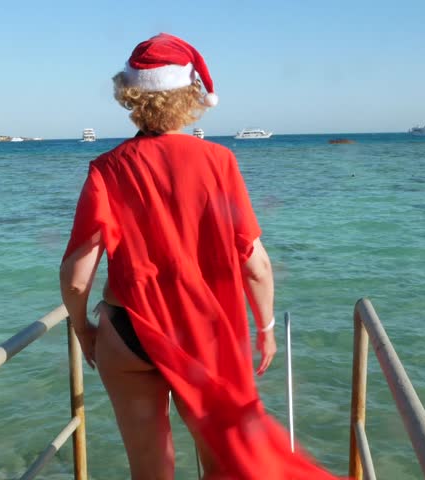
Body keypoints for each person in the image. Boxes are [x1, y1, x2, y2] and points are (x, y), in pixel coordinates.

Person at [60, 33, 341, 479]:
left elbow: (77, 276)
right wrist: (265, 328)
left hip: (128, 330)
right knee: (223, 466)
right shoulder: (219, 161)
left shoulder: (107, 168)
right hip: (202, 336)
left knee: (150, 471)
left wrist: (84, 329)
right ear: (190, 96)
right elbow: (255, 263)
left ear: (130, 96)